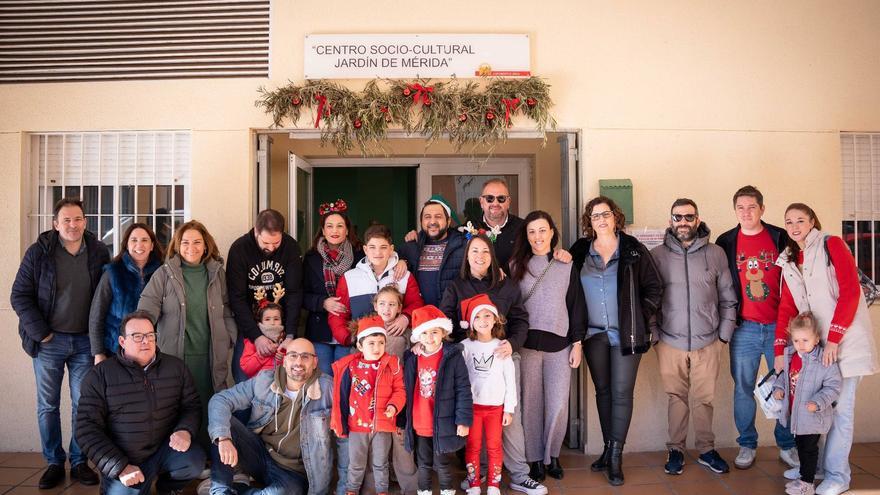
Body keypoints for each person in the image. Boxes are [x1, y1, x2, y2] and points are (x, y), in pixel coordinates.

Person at [774, 203, 880, 495]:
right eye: (789, 222)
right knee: (813, 411)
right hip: (814, 350)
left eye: (800, 220)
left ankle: (838, 476)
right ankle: (815, 466)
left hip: (843, 344)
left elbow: (850, 291)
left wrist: (833, 338)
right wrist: (779, 350)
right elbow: (787, 307)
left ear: (812, 222)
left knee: (840, 412)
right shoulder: (789, 259)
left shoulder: (831, 244)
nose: (794, 226)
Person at [10, 198, 109, 488]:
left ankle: (79, 462)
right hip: (48, 342)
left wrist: (100, 341)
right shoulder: (39, 252)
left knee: (83, 404)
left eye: (77, 219)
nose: (72, 225)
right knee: (47, 406)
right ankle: (54, 461)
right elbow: (19, 295)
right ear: (55, 224)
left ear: (85, 221)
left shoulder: (98, 252)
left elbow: (106, 296)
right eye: (66, 220)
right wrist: (41, 333)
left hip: (84, 343)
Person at [438, 234, 546, 495]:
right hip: (469, 362)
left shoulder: (506, 287)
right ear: (466, 256)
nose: (479, 256)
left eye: (485, 252)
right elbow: (445, 323)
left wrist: (513, 344)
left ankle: (520, 474)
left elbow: (520, 320)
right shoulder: (456, 287)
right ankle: (481, 472)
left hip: (502, 358)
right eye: (474, 251)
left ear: (492, 256)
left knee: (510, 417)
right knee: (473, 418)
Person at [570, 196, 663, 486]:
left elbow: (654, 287)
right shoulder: (580, 250)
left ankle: (615, 457)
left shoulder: (634, 249)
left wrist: (637, 314)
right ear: (589, 221)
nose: (601, 220)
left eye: (606, 214)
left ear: (615, 217)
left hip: (626, 334)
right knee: (604, 392)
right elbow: (568, 284)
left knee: (622, 393)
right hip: (593, 334)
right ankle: (609, 448)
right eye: (595, 216)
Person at [649, 199, 737, 475]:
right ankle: (675, 450)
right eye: (678, 217)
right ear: (671, 220)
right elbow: (649, 299)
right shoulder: (657, 255)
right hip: (669, 341)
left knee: (704, 399)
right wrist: (654, 336)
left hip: (708, 341)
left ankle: (706, 450)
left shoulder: (716, 253)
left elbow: (727, 297)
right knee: (676, 397)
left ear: (697, 219)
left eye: (689, 217)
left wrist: (723, 336)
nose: (683, 222)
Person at [715, 185, 799, 470]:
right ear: (735, 210)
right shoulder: (726, 241)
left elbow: (796, 278)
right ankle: (747, 444)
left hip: (780, 326)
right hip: (744, 329)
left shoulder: (780, 236)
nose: (746, 212)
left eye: (752, 207)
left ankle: (787, 444)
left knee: (785, 385)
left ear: (762, 208)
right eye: (741, 207)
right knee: (743, 388)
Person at [76, 311, 205, 495]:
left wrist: (185, 429)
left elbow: (191, 405)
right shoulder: (100, 375)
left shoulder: (176, 368)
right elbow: (85, 428)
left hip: (164, 449)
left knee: (194, 461)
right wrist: (118, 466)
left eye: (150, 335)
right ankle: (115, 483)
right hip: (124, 458)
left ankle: (167, 488)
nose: (146, 341)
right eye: (137, 336)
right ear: (122, 341)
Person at [138, 220, 237, 449]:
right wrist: (141, 337)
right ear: (177, 245)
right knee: (178, 406)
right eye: (185, 242)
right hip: (176, 354)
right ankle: (183, 459)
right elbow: (146, 308)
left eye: (196, 242)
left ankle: (210, 457)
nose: (190, 247)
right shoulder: (165, 274)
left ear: (206, 246)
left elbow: (227, 306)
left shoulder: (216, 273)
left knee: (210, 404)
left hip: (211, 354)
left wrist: (229, 335)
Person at [508, 211, 586, 481]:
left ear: (552, 233)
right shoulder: (515, 265)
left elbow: (576, 306)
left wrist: (577, 343)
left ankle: (552, 455)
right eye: (532, 231)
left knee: (558, 404)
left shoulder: (566, 265)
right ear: (525, 236)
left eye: (543, 230)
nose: (537, 237)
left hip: (560, 345)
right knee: (530, 405)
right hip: (526, 345)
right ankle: (534, 459)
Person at [208, 338, 335, 495]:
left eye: (305, 356)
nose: (298, 362)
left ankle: (238, 490)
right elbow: (221, 400)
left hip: (292, 473)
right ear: (284, 360)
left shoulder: (328, 389)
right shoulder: (265, 380)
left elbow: (345, 438)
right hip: (260, 456)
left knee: (284, 492)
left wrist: (345, 487)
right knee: (223, 426)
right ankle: (221, 490)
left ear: (315, 362)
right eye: (293, 355)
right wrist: (223, 438)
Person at [330, 315, 406, 495]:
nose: (377, 347)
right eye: (371, 343)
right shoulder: (350, 366)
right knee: (356, 463)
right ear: (360, 346)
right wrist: (338, 421)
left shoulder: (392, 364)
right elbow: (340, 395)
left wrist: (394, 406)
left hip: (382, 425)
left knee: (380, 463)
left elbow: (400, 390)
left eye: (381, 342)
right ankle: (352, 490)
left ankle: (382, 491)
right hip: (357, 425)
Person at [226, 209, 304, 383]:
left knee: (283, 379)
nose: (270, 248)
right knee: (243, 376)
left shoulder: (290, 247)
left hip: (280, 326)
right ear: (256, 231)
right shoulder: (240, 249)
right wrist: (256, 336)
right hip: (249, 327)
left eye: (276, 243)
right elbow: (236, 298)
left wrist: (290, 334)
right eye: (266, 242)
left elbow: (294, 293)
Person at [401, 305, 472, 495]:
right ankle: (424, 492)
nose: (430, 337)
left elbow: (463, 389)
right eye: (424, 332)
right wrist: (402, 421)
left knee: (442, 463)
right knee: (423, 464)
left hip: (443, 422)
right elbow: (404, 390)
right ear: (418, 336)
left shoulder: (452, 356)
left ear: (443, 333)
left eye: (434, 332)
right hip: (420, 422)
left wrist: (463, 420)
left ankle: (447, 491)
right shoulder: (411, 359)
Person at [772, 312, 842, 495]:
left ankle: (807, 484)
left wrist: (817, 402)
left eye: (805, 340)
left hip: (813, 416)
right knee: (802, 447)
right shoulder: (792, 357)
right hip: (796, 415)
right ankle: (805, 475)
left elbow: (833, 386)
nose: (800, 345)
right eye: (796, 341)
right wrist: (778, 389)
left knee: (809, 449)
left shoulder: (823, 361)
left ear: (816, 339)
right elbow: (784, 379)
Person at [328, 224, 423, 347]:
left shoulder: (404, 275)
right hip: (360, 344)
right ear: (365, 249)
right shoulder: (349, 277)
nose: (377, 252)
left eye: (383, 247)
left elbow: (417, 304)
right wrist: (349, 338)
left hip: (394, 342)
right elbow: (338, 314)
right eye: (372, 247)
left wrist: (406, 317)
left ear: (391, 249)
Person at [460, 294, 517, 495]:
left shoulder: (502, 346)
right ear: (471, 323)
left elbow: (510, 379)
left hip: (495, 407)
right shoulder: (465, 347)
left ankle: (494, 484)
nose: (483, 321)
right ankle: (474, 483)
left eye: (487, 316)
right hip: (472, 407)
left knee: (494, 446)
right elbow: (459, 378)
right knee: (473, 446)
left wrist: (509, 409)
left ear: (495, 319)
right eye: (478, 317)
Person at [303, 202, 365, 375]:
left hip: (350, 327)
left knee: (345, 378)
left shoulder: (361, 256)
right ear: (323, 230)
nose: (334, 231)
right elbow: (301, 294)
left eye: (340, 226)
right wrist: (323, 302)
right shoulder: (311, 257)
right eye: (329, 226)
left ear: (347, 230)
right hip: (320, 330)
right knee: (323, 379)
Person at [89, 223, 163, 364]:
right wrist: (98, 353)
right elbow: (96, 314)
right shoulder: (113, 273)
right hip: (116, 351)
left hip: (152, 351)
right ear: (127, 245)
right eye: (134, 240)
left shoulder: (162, 273)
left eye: (144, 240)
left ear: (152, 245)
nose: (139, 245)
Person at [372, 285, 419, 494]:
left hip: (400, 393)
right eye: (382, 303)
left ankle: (410, 486)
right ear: (375, 306)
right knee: (379, 442)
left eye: (392, 304)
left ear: (400, 308)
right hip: (375, 395)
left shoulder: (406, 333)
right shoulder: (368, 329)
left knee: (401, 440)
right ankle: (378, 483)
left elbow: (415, 357)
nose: (387, 308)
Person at [472, 178, 570, 270]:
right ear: (481, 201)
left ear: (508, 202)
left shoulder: (523, 228)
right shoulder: (467, 230)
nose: (495, 203)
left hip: (517, 287)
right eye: (489, 198)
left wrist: (560, 255)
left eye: (501, 198)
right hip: (477, 287)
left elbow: (541, 253)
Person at [398, 196, 467, 307]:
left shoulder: (464, 246)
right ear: (421, 221)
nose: (432, 221)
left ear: (448, 221)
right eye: (427, 217)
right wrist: (401, 261)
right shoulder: (410, 248)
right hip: (420, 317)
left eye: (438, 217)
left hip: (452, 317)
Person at [239, 301, 285, 378]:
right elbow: (246, 368)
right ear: (260, 322)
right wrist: (263, 355)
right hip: (258, 383)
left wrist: (282, 359)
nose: (272, 323)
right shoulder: (252, 342)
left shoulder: (285, 341)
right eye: (267, 319)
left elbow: (292, 366)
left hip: (280, 382)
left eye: (276, 319)